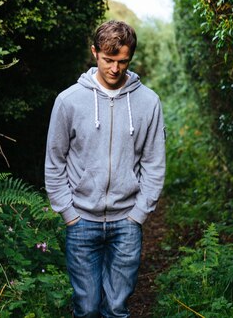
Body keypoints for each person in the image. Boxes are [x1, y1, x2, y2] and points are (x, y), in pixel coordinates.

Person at [44, 20, 166, 318]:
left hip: (127, 221)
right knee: (86, 309)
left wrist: (139, 214)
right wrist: (68, 212)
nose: (115, 68)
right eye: (108, 60)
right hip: (82, 219)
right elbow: (54, 161)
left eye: (122, 61)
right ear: (94, 53)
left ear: (130, 58)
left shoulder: (148, 102)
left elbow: (154, 162)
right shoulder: (68, 101)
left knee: (116, 308)